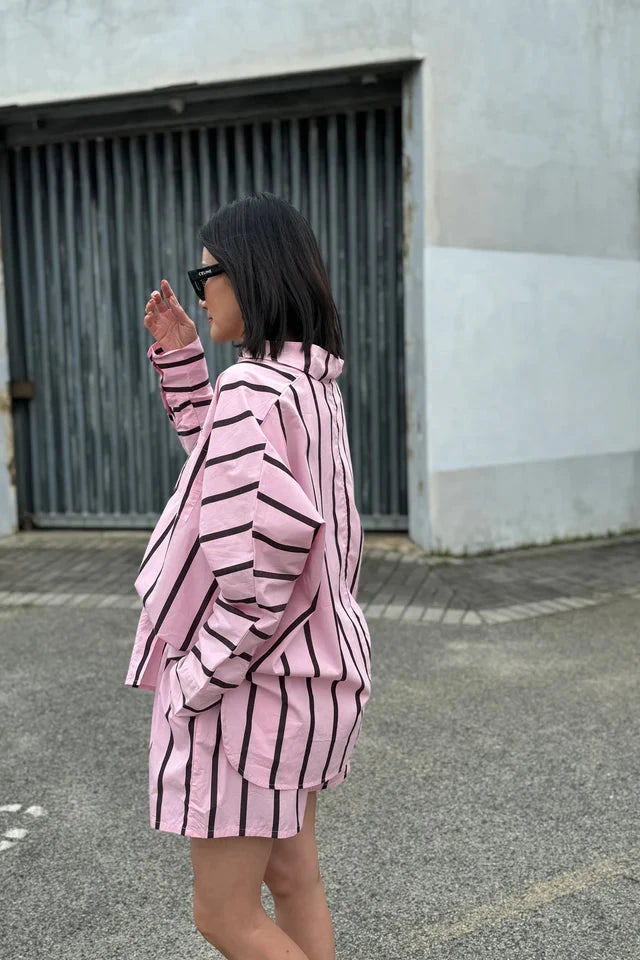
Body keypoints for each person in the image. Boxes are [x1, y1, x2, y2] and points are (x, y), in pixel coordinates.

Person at [124, 192, 372, 960]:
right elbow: (229, 471)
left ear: (249, 274)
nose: (200, 294)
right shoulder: (307, 386)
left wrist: (197, 678)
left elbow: (254, 583)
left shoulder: (251, 392)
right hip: (311, 678)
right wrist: (182, 356)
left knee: (223, 916)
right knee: (294, 878)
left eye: (205, 278)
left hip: (248, 695)